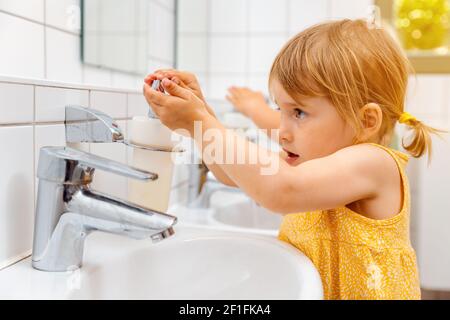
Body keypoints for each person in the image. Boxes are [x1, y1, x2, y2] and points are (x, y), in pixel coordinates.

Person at [143, 19, 445, 299]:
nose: (282, 131)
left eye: (298, 112)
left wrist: (203, 124)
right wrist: (200, 117)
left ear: (365, 121)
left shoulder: (373, 164)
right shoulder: (309, 164)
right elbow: (230, 174)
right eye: (279, 110)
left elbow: (281, 190)